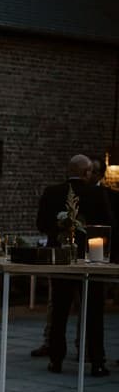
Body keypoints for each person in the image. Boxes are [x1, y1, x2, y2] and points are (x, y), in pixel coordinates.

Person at [36, 154, 113, 377]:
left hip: (60, 259)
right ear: (87, 173)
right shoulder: (97, 193)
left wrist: (59, 228)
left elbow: (41, 224)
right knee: (93, 311)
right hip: (92, 259)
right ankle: (97, 360)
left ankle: (56, 359)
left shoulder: (52, 192)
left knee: (60, 309)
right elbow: (108, 225)